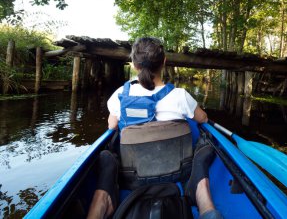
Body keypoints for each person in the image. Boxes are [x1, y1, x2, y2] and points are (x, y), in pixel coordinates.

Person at [87, 37, 223, 219]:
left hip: (132, 178)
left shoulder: (120, 95)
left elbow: (111, 126)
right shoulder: (180, 96)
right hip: (180, 173)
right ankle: (203, 197)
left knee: (106, 155)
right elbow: (203, 118)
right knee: (204, 145)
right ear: (164, 62)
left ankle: (101, 200)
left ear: (134, 65)